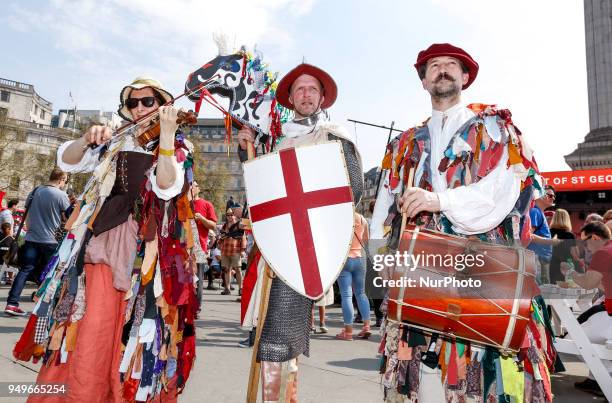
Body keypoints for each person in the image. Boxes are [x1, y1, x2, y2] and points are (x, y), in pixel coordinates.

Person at [370, 43, 556, 402]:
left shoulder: (493, 129)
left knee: (484, 374)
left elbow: (499, 194)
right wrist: (382, 268)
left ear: (465, 77)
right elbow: (381, 213)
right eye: (434, 66)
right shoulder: (404, 144)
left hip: (482, 267)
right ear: (424, 81)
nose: (442, 70)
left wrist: (438, 200)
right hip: (418, 271)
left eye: (451, 65)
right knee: (420, 376)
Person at [12, 77, 198, 402]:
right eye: (133, 103)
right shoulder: (117, 139)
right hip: (101, 242)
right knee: (90, 327)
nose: (139, 108)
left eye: (148, 101)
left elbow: (167, 186)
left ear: (163, 105)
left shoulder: (178, 147)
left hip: (147, 252)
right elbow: (66, 160)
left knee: (137, 334)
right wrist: (86, 139)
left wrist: (166, 138)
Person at [237, 62, 363, 401]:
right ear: (290, 98)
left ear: (322, 97)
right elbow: (266, 197)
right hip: (277, 251)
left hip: (310, 249)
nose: (305, 94)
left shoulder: (336, 136)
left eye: (312, 88)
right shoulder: (279, 141)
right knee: (273, 339)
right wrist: (246, 151)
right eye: (299, 89)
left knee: (278, 342)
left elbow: (353, 191)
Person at [5, 168, 69, 316]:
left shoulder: (35, 191)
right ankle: (45, 306)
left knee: (25, 270)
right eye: (65, 181)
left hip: (32, 238)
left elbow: (27, 214)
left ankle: (12, 303)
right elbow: (69, 218)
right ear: (61, 180)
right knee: (51, 273)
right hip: (51, 240)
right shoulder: (61, 195)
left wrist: (31, 229)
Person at [563, 222, 612, 397]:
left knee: (572, 341)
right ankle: (597, 379)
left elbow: (588, 283)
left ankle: (601, 380)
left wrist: (571, 273)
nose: (586, 248)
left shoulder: (603, 253)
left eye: (586, 242)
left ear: (595, 238)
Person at [336, 212, 371, 341]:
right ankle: (366, 327)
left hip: (345, 259)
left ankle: (348, 332)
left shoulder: (341, 218)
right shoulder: (362, 219)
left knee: (346, 295)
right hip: (360, 258)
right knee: (361, 293)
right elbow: (366, 240)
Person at [528, 185, 557, 284]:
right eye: (549, 195)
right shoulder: (535, 211)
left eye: (554, 196)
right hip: (538, 259)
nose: (553, 198)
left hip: (540, 259)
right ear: (539, 194)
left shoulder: (537, 211)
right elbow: (528, 235)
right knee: (541, 290)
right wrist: (549, 241)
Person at [191, 180, 218, 290]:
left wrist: (202, 218)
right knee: (184, 279)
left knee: (198, 278)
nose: (191, 188)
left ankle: (197, 304)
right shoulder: (182, 204)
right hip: (184, 247)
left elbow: (213, 226)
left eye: (194, 186)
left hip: (200, 247)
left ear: (199, 189)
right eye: (190, 186)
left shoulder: (207, 204)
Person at [219, 208, 244, 296]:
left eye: (231, 214)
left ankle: (241, 288)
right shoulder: (224, 226)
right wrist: (220, 245)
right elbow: (221, 237)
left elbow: (243, 237)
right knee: (226, 270)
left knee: (238, 269)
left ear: (234, 215)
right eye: (228, 215)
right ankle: (227, 288)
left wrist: (242, 250)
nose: (230, 216)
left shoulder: (239, 225)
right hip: (225, 250)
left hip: (236, 250)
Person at [549, 208, 577, 284]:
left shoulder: (548, 233)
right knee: (565, 288)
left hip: (551, 263)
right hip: (566, 264)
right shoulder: (570, 235)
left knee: (552, 287)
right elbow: (574, 254)